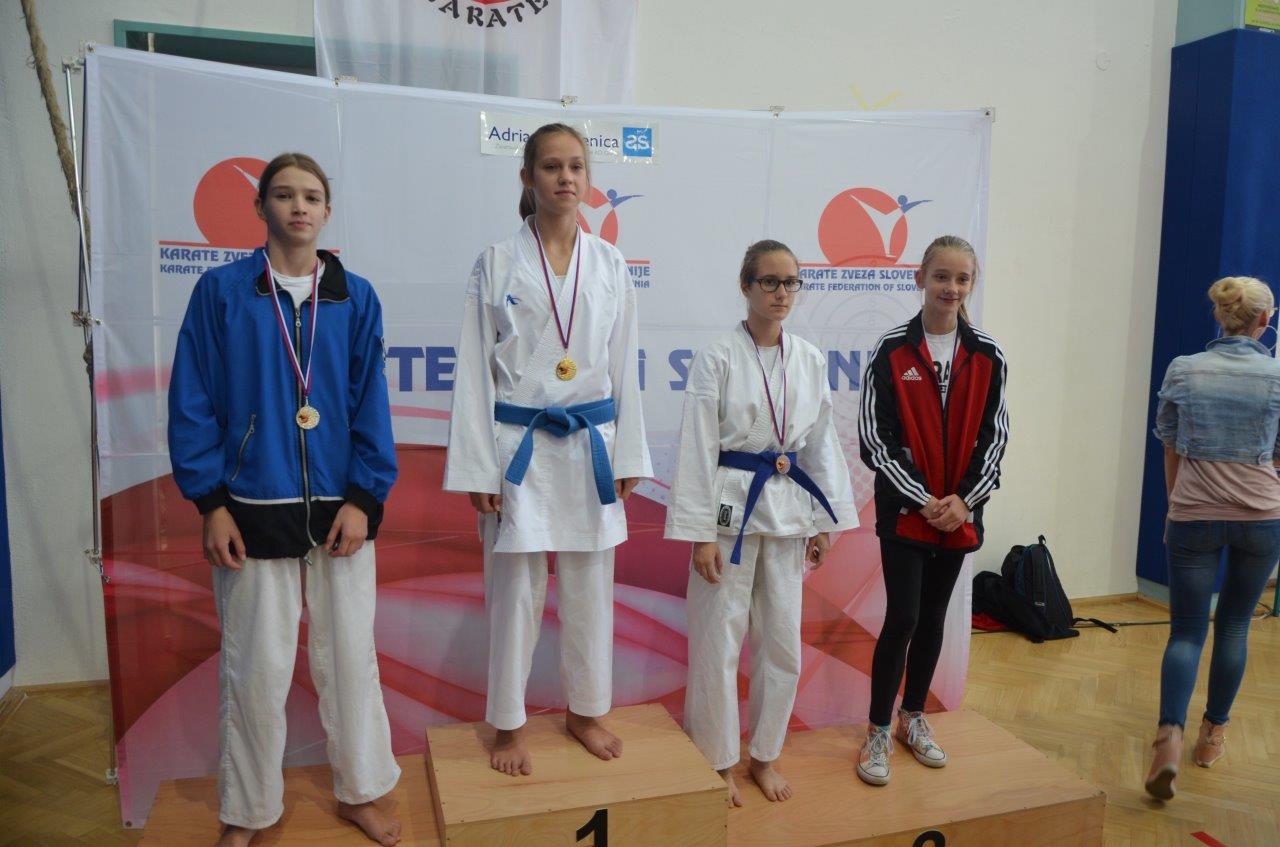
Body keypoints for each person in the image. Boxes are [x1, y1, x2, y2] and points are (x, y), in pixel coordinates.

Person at [168, 153, 401, 846]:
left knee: (351, 660)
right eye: (284, 195)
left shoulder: (355, 296)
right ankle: (247, 811)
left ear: (327, 210)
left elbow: (370, 403)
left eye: (312, 196)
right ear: (260, 206)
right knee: (255, 669)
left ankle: (361, 791)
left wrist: (364, 497)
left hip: (341, 511)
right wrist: (211, 502)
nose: (299, 206)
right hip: (250, 508)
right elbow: (192, 398)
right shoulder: (222, 292)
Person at [444, 123, 651, 777]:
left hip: (590, 443)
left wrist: (629, 454)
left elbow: (624, 364)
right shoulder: (497, 261)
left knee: (591, 589)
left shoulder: (611, 263)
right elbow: (474, 369)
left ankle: (585, 711)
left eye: (576, 166)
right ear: (527, 177)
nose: (566, 177)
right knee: (514, 594)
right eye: (553, 166)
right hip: (519, 447)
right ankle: (507, 724)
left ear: (588, 179)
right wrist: (477, 466)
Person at [665, 239, 857, 807]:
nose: (781, 293)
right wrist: (700, 533)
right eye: (769, 282)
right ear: (745, 286)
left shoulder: (809, 358)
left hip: (789, 512)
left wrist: (824, 520)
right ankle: (719, 759)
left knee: (781, 646)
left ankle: (765, 755)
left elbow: (821, 442)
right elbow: (698, 445)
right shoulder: (718, 356)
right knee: (717, 642)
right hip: (729, 513)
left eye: (790, 282)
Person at [856, 234, 1008, 787]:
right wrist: (923, 499)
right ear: (920, 278)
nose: (951, 288)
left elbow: (995, 438)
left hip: (959, 515)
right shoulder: (891, 350)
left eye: (962, 278)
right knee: (903, 617)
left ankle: (912, 717)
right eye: (941, 276)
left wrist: (964, 500)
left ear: (972, 284)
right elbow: (875, 440)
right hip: (906, 513)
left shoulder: (988, 355)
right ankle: (877, 728)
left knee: (934, 618)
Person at [1145, 276, 1280, 800]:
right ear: (1263, 320)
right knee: (1235, 627)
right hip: (1261, 517)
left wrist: (1175, 507)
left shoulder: (1184, 369)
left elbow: (1169, 446)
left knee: (1185, 633)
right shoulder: (1276, 376)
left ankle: (1168, 741)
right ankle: (1211, 737)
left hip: (1194, 514)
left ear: (1220, 316)